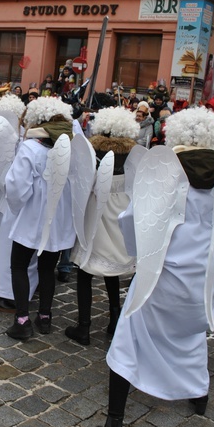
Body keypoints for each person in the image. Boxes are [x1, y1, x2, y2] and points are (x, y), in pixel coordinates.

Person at [93, 107, 214, 427]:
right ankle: (199, 398)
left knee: (127, 340)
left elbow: (132, 224)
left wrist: (137, 253)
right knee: (191, 339)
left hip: (162, 282)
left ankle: (114, 424)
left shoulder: (161, 174)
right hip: (205, 285)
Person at [4, 96, 74, 340]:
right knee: (47, 268)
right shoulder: (69, 148)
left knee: (19, 265)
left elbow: (15, 186)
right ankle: (44, 317)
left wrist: (16, 208)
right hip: (57, 217)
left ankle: (22, 320)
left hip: (33, 215)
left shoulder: (31, 148)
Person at [67, 107, 138, 346]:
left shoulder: (93, 150)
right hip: (121, 211)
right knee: (113, 267)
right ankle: (115, 319)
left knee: (86, 268)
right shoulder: (134, 154)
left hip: (97, 210)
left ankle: (84, 326)